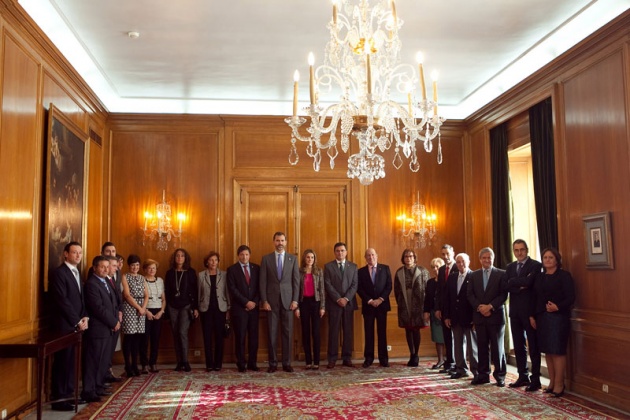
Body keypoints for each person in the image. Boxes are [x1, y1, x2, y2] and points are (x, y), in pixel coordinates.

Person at [49, 241, 89, 411]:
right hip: (64, 325)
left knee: (72, 362)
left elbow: (81, 298)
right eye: (74, 252)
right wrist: (77, 321)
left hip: (77, 324)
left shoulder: (77, 273)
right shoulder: (59, 273)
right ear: (66, 254)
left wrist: (85, 316)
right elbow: (62, 301)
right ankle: (59, 399)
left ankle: (70, 395)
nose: (78, 255)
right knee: (63, 362)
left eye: (80, 252)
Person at [530, 248, 575, 397]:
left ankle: (559, 383)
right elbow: (535, 298)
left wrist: (558, 307)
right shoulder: (540, 277)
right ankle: (551, 381)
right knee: (548, 351)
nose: (547, 260)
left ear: (557, 260)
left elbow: (571, 297)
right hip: (542, 318)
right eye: (545, 257)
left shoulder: (564, 276)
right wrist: (533, 316)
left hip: (559, 318)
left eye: (550, 257)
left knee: (557, 351)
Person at [504, 239, 543, 391]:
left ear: (527, 250)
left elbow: (529, 283)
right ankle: (523, 376)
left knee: (533, 346)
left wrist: (517, 283)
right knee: (519, 346)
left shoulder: (535, 265)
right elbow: (506, 285)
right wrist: (518, 284)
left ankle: (536, 380)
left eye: (522, 250)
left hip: (530, 312)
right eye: (516, 250)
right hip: (514, 312)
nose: (519, 253)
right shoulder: (510, 267)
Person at [260, 232, 300, 373]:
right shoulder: (266, 259)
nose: (280, 243)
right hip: (271, 303)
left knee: (288, 334)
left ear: (286, 242)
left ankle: (287, 363)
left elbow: (296, 282)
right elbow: (262, 282)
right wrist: (264, 301)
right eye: (277, 240)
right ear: (273, 242)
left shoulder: (293, 259)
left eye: (282, 240)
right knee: (272, 333)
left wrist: (295, 300)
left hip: (288, 302)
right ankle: (273, 363)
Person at [467, 247, 507, 386]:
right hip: (480, 316)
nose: (486, 260)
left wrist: (490, 307)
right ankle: (483, 375)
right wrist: (480, 307)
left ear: (493, 258)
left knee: (497, 348)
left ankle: (500, 376)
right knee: (482, 347)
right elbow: (470, 294)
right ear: (480, 259)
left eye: (489, 257)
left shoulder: (501, 274)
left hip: (495, 316)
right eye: (484, 258)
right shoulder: (474, 275)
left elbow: (503, 294)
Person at [82, 256, 120, 403]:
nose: (105, 269)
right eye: (102, 267)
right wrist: (113, 322)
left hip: (108, 328)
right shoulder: (92, 284)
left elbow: (113, 302)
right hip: (98, 328)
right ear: (95, 268)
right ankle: (88, 391)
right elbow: (98, 308)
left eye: (107, 266)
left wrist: (115, 320)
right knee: (93, 361)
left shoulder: (105, 282)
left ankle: (98, 386)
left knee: (102, 360)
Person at [443, 253, 478, 380]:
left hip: (469, 317)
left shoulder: (474, 276)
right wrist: (446, 316)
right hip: (455, 317)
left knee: (472, 346)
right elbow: (447, 298)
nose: (460, 264)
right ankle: (461, 369)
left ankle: (476, 371)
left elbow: (476, 298)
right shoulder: (452, 277)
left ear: (468, 261)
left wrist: (475, 318)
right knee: (457, 344)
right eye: (458, 262)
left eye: (463, 261)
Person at [227, 245, 261, 372]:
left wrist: (254, 302)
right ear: (238, 256)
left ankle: (253, 362)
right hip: (239, 309)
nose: (244, 257)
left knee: (253, 337)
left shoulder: (256, 268)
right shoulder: (232, 270)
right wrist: (246, 302)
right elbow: (232, 289)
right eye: (242, 255)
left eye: (246, 254)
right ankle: (241, 363)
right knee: (240, 337)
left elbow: (260, 287)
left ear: (249, 255)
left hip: (254, 309)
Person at [324, 242, 358, 368]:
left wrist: (346, 298)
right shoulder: (328, 266)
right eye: (337, 251)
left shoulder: (353, 266)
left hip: (348, 304)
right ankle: (332, 358)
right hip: (334, 304)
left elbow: (354, 285)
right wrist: (338, 298)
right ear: (335, 252)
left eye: (342, 250)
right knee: (333, 332)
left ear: (346, 252)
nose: (340, 253)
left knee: (348, 331)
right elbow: (327, 284)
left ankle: (347, 357)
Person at [394, 248, 429, 367]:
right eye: (406, 256)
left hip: (419, 304)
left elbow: (427, 289)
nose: (408, 258)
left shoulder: (422, 271)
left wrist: (426, 307)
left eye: (410, 256)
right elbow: (397, 290)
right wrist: (399, 302)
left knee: (416, 329)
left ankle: (416, 355)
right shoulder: (399, 272)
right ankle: (411, 353)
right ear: (403, 259)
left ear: (414, 258)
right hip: (405, 303)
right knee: (408, 329)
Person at [164, 248, 198, 372]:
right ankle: (179, 362)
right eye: (177, 255)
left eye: (182, 256)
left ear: (185, 258)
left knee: (182, 332)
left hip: (186, 306)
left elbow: (195, 291)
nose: (179, 258)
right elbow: (166, 292)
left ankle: (185, 361)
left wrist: (195, 307)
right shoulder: (169, 273)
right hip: (172, 307)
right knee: (175, 333)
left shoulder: (190, 272)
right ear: (174, 258)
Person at [357, 248, 392, 368]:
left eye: (372, 254)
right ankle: (369, 358)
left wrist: (380, 299)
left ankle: (384, 359)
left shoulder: (385, 268)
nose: (370, 257)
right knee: (369, 333)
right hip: (368, 306)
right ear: (365, 257)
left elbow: (389, 286)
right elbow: (359, 288)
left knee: (382, 333)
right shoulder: (360, 272)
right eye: (368, 255)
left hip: (382, 306)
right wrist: (370, 300)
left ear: (376, 255)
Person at [198, 251, 230, 372]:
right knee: (207, 338)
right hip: (205, 310)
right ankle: (209, 364)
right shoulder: (201, 275)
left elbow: (227, 292)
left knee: (219, 338)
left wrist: (228, 309)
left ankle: (218, 364)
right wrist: (198, 308)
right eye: (211, 260)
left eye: (216, 260)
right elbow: (199, 293)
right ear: (207, 262)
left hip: (220, 309)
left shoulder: (224, 274)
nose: (213, 262)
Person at [295, 249, 325, 370]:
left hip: (316, 302)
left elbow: (322, 290)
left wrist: (322, 307)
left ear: (314, 259)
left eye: (312, 257)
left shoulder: (319, 271)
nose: (310, 260)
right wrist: (296, 307)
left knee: (316, 332)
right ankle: (308, 361)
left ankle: (316, 361)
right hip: (303, 303)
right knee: (305, 332)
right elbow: (296, 289)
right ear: (304, 258)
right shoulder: (299, 272)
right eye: (308, 257)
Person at [121, 254, 148, 377]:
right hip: (130, 308)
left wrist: (143, 308)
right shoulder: (125, 277)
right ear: (129, 266)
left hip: (141, 309)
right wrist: (138, 307)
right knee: (129, 337)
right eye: (133, 265)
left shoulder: (142, 278)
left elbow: (146, 295)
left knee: (137, 338)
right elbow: (126, 295)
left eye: (137, 265)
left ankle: (135, 365)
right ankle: (128, 365)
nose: (135, 267)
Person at [141, 258, 166, 373]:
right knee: (144, 339)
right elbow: (139, 298)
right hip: (146, 311)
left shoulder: (160, 280)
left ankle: (153, 363)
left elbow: (164, 299)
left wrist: (161, 311)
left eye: (154, 268)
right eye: (149, 268)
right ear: (145, 269)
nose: (152, 270)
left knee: (155, 339)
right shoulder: (141, 280)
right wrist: (146, 311)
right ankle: (144, 364)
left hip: (158, 312)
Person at [434, 244, 456, 374]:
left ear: (452, 252)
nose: (446, 257)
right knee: (447, 337)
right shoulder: (442, 270)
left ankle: (456, 363)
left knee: (456, 338)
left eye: (448, 254)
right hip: (444, 309)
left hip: (456, 309)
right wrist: (437, 308)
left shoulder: (458, 267)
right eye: (443, 254)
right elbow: (439, 291)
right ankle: (449, 362)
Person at [424, 257, 445, 369]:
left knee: (448, 338)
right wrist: (426, 312)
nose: (435, 269)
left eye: (438, 267)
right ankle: (440, 360)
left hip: (446, 313)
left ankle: (452, 361)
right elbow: (427, 298)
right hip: (433, 313)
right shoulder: (430, 282)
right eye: (433, 267)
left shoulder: (447, 280)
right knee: (437, 337)